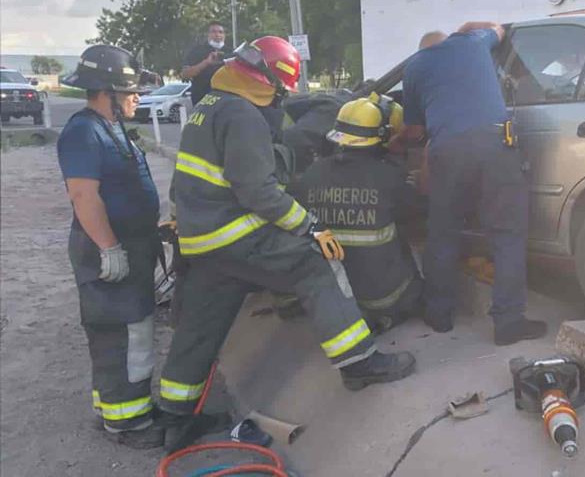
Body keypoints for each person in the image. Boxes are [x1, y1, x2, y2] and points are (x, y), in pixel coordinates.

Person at [159, 36, 415, 424]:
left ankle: (175, 415)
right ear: (268, 82)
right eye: (280, 90)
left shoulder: (208, 106)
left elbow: (186, 182)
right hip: (235, 233)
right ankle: (359, 363)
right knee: (316, 263)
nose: (280, 98)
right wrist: (310, 227)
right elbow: (258, 191)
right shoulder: (243, 115)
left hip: (202, 241)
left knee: (201, 324)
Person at [397, 23, 547, 346]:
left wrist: (395, 142)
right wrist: (466, 28)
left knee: (442, 233)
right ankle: (508, 323)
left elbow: (413, 129)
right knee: (506, 234)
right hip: (495, 144)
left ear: (422, 50)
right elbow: (498, 29)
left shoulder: (414, 67)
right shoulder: (473, 41)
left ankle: (439, 315)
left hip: (447, 151)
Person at [57, 45, 164, 448]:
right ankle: (129, 424)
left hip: (128, 245)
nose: (137, 96)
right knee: (125, 334)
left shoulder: (111, 126)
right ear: (107, 91)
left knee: (117, 333)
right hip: (108, 251)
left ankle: (113, 408)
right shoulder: (83, 131)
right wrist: (109, 248)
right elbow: (84, 196)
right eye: (129, 90)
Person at [290, 93, 424, 333]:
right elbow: (419, 210)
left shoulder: (312, 174)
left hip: (337, 296)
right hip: (383, 297)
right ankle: (388, 316)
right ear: (381, 136)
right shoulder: (387, 178)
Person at [182, 21, 229, 105]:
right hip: (202, 99)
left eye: (220, 32)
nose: (217, 35)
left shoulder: (231, 52)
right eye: (213, 32)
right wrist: (206, 62)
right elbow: (186, 74)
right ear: (208, 34)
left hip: (226, 99)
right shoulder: (196, 51)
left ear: (224, 35)